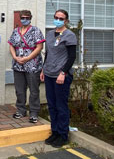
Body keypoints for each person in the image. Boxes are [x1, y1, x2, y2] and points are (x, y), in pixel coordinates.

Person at [41, 9, 77, 148]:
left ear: (66, 21)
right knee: (52, 104)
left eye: (61, 18)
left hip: (61, 76)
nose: (58, 20)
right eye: (56, 17)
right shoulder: (50, 34)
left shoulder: (69, 35)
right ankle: (55, 132)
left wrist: (63, 73)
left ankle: (63, 135)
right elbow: (48, 53)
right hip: (49, 74)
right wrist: (43, 69)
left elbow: (72, 57)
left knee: (61, 106)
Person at [8, 10, 45, 123]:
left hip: (33, 64)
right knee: (19, 89)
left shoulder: (36, 31)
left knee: (34, 90)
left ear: (30, 18)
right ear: (20, 18)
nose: (25, 19)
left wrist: (27, 58)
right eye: (23, 17)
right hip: (18, 64)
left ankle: (33, 112)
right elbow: (11, 45)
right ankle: (21, 109)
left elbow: (39, 47)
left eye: (27, 17)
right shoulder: (16, 31)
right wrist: (15, 57)